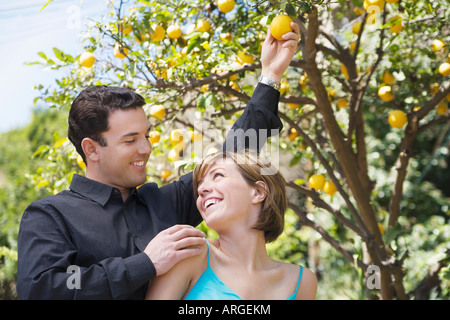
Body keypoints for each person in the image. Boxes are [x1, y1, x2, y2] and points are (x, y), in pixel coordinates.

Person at [16, 22, 301, 299]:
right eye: (130, 140)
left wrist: (270, 75)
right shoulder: (51, 215)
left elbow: (231, 157)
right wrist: (145, 263)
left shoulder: (164, 204)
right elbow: (44, 288)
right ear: (91, 149)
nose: (146, 148)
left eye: (146, 136)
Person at [145, 151, 317, 300]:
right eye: (199, 184)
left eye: (218, 175)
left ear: (258, 192)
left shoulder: (301, 282)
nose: (201, 190)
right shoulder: (188, 253)